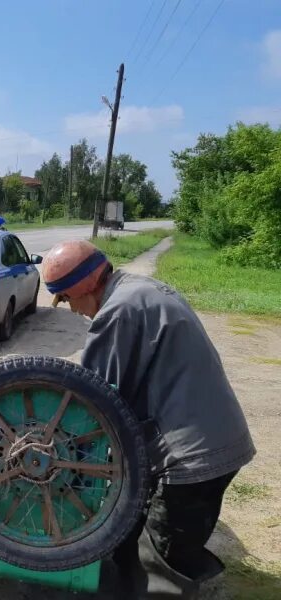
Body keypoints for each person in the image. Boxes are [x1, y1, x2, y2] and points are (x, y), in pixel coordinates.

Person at [42, 239, 255, 598]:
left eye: (66, 299)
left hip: (190, 459)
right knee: (133, 539)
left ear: (86, 285)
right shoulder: (140, 290)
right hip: (214, 436)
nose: (73, 309)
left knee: (161, 560)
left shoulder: (117, 312)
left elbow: (95, 402)